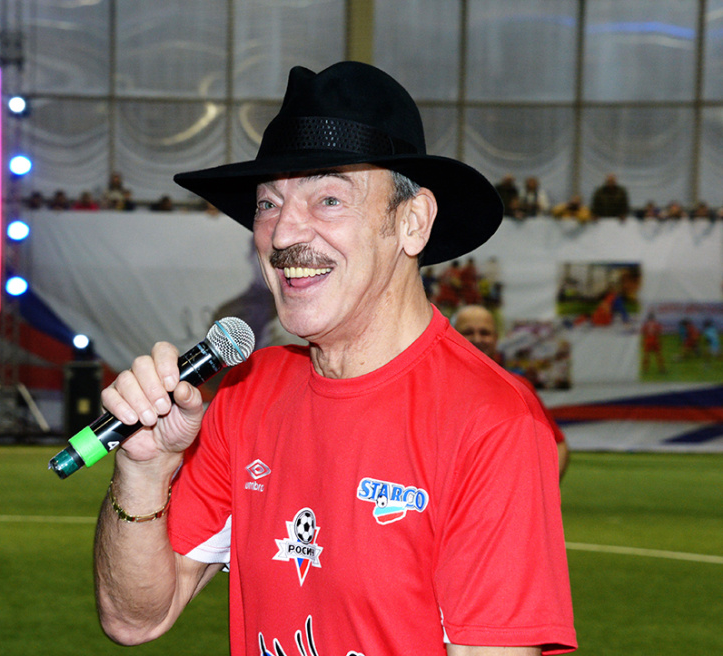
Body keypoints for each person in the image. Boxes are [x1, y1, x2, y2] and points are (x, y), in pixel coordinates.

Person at [93, 61, 576, 655]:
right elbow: (134, 619)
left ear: (412, 222)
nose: (283, 233)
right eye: (267, 204)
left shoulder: (492, 420)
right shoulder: (248, 392)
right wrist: (143, 472)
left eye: (327, 199)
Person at [453, 305, 570, 481]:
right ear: (451, 336)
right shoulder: (432, 386)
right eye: (468, 332)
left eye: (485, 333)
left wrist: (545, 488)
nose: (477, 339)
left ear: (495, 338)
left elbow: (557, 444)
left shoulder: (518, 387)